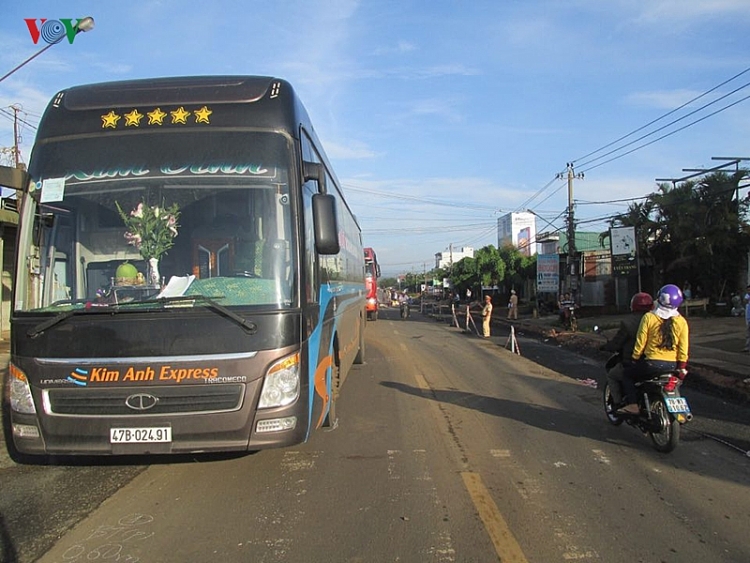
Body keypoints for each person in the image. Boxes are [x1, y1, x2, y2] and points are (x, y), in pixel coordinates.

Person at [619, 284, 689, 415]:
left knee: (627, 375)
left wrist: (634, 358)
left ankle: (633, 405)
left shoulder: (649, 317)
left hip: (651, 364)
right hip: (672, 366)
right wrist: (681, 365)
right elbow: (683, 348)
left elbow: (641, 342)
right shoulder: (681, 322)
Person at [600, 292, 654, 408]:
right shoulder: (658, 320)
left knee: (613, 375)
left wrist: (606, 347)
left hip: (635, 361)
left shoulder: (629, 323)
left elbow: (617, 343)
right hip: (658, 360)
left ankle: (620, 404)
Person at [743, 285, 750, 353]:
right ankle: (747, 347)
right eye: (748, 290)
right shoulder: (747, 296)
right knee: (748, 333)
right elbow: (745, 301)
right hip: (748, 318)